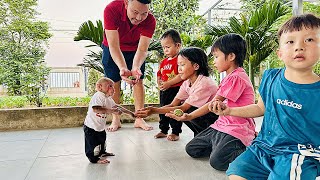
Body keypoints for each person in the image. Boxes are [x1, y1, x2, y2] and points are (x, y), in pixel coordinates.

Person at [211, 14, 320, 179]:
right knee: (236, 173)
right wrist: (229, 111)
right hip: (263, 147)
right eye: (290, 42)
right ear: (280, 53)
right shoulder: (271, 78)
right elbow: (260, 108)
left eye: (309, 40)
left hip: (299, 152)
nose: (299, 47)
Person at [166, 33, 256, 171]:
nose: (213, 61)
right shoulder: (229, 77)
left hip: (236, 128)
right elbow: (213, 104)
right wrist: (188, 116)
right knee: (192, 149)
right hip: (221, 125)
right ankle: (222, 146)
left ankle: (252, 148)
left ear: (231, 56)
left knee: (217, 162)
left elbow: (212, 104)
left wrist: (189, 116)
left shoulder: (237, 77)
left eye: (216, 56)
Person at [136, 47, 219, 139]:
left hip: (217, 119)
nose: (178, 69)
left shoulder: (204, 83)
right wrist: (151, 109)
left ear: (196, 66)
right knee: (181, 110)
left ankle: (210, 135)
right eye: (178, 65)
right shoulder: (187, 82)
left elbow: (183, 108)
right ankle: (201, 135)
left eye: (182, 65)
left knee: (187, 109)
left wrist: (154, 110)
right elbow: (173, 104)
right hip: (205, 117)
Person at [102, 0, 156, 131]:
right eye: (135, 12)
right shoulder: (111, 10)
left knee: (138, 81)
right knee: (113, 83)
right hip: (112, 48)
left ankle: (139, 118)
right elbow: (114, 46)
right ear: (126, 3)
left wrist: (135, 67)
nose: (139, 18)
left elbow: (143, 50)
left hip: (135, 49)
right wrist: (122, 67)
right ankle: (116, 119)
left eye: (144, 13)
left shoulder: (150, 20)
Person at [154, 29, 184, 141]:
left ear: (177, 45)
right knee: (162, 110)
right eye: (163, 48)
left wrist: (169, 83)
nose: (165, 50)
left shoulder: (180, 60)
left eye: (168, 47)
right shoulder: (164, 61)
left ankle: (175, 132)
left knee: (174, 110)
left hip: (176, 90)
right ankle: (163, 130)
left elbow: (181, 75)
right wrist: (159, 82)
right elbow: (159, 73)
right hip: (164, 90)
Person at [83, 77, 118, 164]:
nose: (113, 89)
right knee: (92, 144)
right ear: (99, 87)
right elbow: (96, 109)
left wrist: (131, 113)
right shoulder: (98, 95)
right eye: (109, 86)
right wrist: (111, 111)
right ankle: (93, 159)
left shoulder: (108, 98)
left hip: (100, 126)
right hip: (91, 126)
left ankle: (102, 152)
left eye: (113, 86)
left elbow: (117, 107)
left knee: (102, 140)